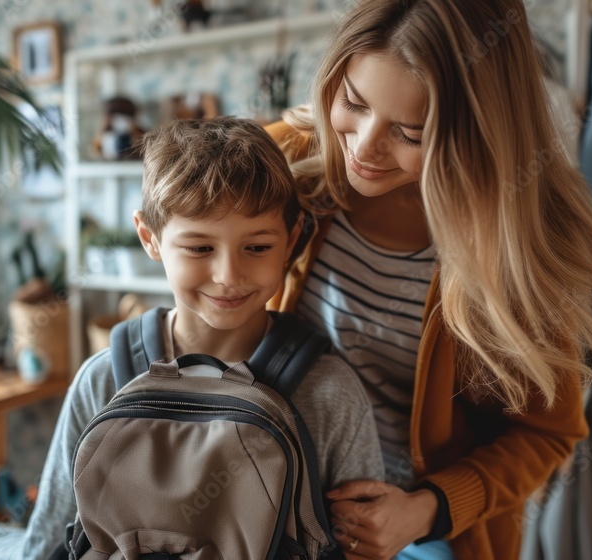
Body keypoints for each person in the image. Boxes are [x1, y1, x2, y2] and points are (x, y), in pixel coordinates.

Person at [265, 0, 592, 559]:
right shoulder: (285, 159)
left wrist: (424, 511)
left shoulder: (516, 245)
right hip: (281, 498)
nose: (363, 147)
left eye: (410, 132)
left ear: (471, 132)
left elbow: (547, 435)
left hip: (418, 531)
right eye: (354, 103)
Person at [22, 117, 385, 559]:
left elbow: (364, 546)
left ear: (291, 241)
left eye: (257, 247)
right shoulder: (101, 380)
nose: (228, 276)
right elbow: (47, 541)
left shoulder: (329, 392)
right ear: (149, 238)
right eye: (199, 248)